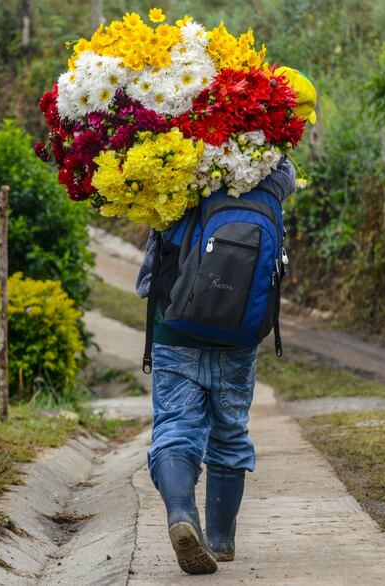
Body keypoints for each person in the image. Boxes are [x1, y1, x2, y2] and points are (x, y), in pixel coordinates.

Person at [136, 159, 296, 575]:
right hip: (239, 327)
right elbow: (289, 174)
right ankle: (222, 541)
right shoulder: (272, 175)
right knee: (229, 429)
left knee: (175, 427)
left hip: (175, 324)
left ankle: (181, 514)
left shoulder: (172, 161)